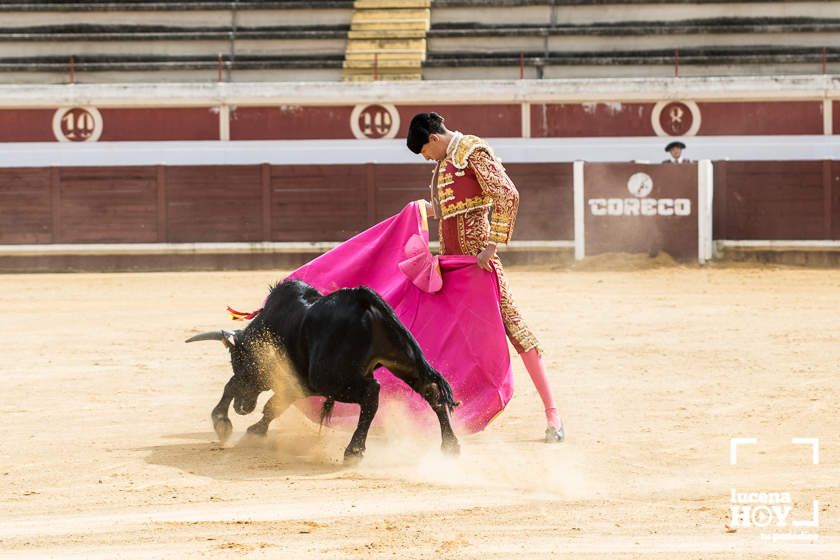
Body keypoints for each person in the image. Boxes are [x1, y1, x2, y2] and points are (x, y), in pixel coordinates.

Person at [406, 112, 564, 443]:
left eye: (425, 152)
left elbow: (507, 194)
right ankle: (452, 414)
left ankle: (553, 414)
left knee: (513, 326)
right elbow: (448, 210)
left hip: (478, 266)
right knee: (445, 334)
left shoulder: (472, 151)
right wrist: (418, 211)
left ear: (433, 139)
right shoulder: (443, 164)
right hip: (451, 268)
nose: (427, 158)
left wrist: (492, 245)